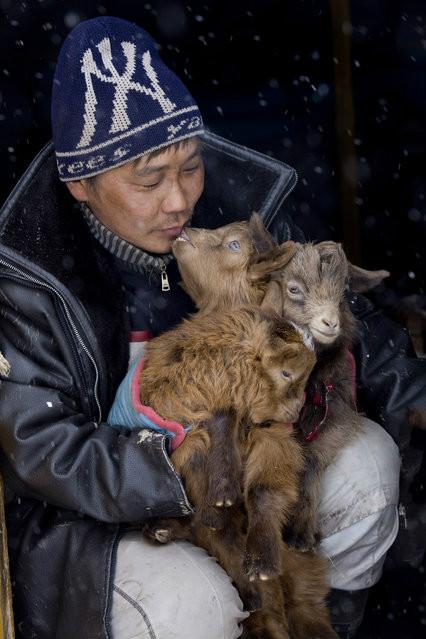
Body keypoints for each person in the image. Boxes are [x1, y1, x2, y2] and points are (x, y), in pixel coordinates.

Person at [0, 16, 423, 639]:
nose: (180, 201)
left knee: (367, 464)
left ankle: (311, 625)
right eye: (149, 180)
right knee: (193, 601)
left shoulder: (232, 227)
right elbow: (40, 447)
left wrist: (414, 398)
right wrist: (188, 466)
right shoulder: (27, 278)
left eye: (190, 166)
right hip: (104, 521)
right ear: (80, 183)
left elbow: (342, 323)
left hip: (254, 475)